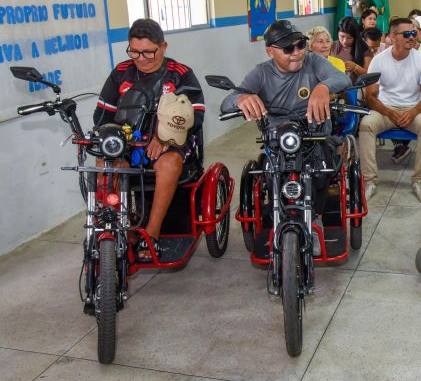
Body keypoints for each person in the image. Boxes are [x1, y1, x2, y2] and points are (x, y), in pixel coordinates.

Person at [221, 20, 352, 256]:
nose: (297, 53)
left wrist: (323, 87)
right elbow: (227, 102)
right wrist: (240, 99)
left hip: (313, 135)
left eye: (300, 45)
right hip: (279, 139)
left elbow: (343, 79)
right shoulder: (261, 73)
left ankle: (316, 218)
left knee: (322, 169)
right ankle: (279, 215)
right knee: (271, 173)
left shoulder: (313, 61)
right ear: (270, 52)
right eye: (288, 48)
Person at [94, 18, 205, 261]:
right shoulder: (121, 73)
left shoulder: (180, 74)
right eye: (134, 52)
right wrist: (109, 140)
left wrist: (165, 138)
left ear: (163, 46)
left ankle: (151, 233)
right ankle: (118, 229)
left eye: (148, 52)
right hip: (129, 144)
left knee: (168, 164)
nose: (141, 59)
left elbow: (195, 116)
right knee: (105, 165)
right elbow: (102, 116)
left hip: (170, 144)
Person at [358, 18, 421, 203]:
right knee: (366, 125)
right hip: (385, 109)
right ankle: (369, 181)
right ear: (392, 36)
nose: (411, 37)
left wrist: (412, 112)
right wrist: (389, 112)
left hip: (413, 109)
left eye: (413, 33)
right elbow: (371, 97)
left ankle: (420, 181)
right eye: (406, 34)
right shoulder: (378, 60)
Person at [331, 16, 373, 81]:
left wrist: (355, 67)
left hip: (354, 85)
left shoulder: (364, 49)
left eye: (349, 38)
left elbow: (369, 74)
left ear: (355, 37)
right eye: (342, 36)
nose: (345, 41)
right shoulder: (332, 46)